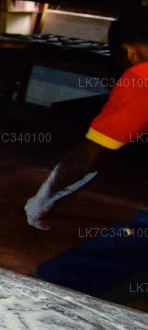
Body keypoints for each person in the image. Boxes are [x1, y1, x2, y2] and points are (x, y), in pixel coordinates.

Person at [25, 14, 148, 229]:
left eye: (117, 61)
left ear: (130, 52)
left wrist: (41, 199)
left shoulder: (141, 79)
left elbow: (85, 159)